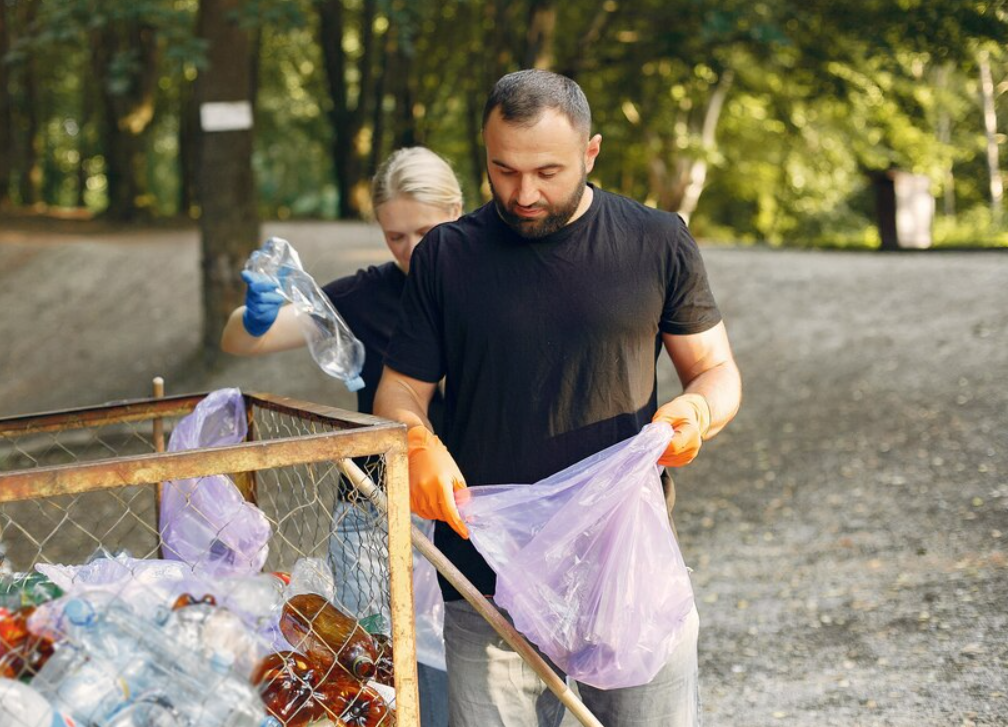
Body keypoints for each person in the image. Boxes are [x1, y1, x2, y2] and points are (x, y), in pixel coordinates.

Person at [375, 70, 742, 727]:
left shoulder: (656, 240)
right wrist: (415, 439)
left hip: (622, 565)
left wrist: (700, 410)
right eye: (504, 170)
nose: (524, 193)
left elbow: (714, 367)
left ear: (591, 152)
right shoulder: (446, 256)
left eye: (548, 171)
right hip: (485, 576)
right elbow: (399, 389)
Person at [221, 146, 463, 727]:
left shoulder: (492, 284)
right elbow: (242, 341)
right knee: (376, 680)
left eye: (426, 232)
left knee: (467, 675)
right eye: (395, 236)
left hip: (464, 507)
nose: (410, 251)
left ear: (459, 210)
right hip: (373, 514)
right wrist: (253, 315)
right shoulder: (367, 295)